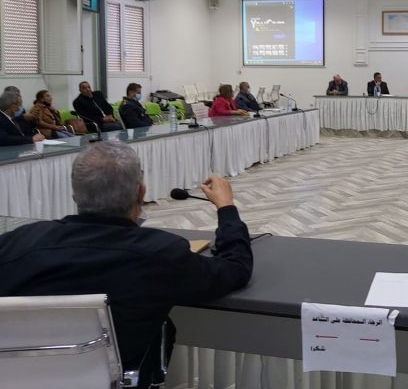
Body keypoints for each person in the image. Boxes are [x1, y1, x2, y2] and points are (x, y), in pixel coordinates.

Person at [0, 141, 253, 388]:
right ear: (141, 193)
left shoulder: (16, 243)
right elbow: (235, 269)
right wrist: (226, 207)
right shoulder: (160, 254)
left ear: (75, 194)